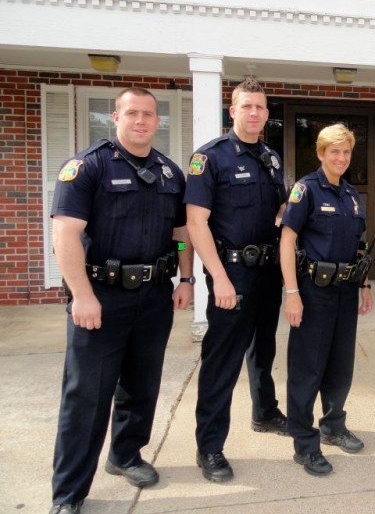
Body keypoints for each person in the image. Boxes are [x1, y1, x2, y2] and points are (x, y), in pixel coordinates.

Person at [50, 88, 193, 514]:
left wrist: (186, 277)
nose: (142, 121)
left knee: (141, 385)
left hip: (153, 296)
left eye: (149, 115)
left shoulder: (170, 174)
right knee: (87, 396)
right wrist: (82, 296)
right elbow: (65, 235)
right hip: (101, 297)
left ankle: (126, 455)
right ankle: (69, 493)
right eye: (133, 113)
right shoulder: (87, 167)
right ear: (116, 117)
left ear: (158, 121)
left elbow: (181, 236)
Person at [185, 80, 287, 483]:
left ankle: (264, 411)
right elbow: (196, 223)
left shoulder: (271, 157)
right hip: (232, 273)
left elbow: (280, 209)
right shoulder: (210, 158)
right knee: (222, 361)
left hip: (268, 272)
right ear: (233, 110)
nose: (254, 113)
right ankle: (209, 446)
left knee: (264, 350)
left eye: (260, 107)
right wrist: (219, 278)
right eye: (247, 106)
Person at [279, 123, 374, 476]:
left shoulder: (351, 195)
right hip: (313, 292)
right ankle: (304, 443)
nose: (341, 157)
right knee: (307, 369)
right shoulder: (306, 190)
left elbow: (358, 246)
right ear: (320, 154)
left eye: (346, 152)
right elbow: (287, 241)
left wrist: (364, 284)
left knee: (339, 366)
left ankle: (333, 425)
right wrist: (292, 294)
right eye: (334, 151)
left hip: (346, 292)